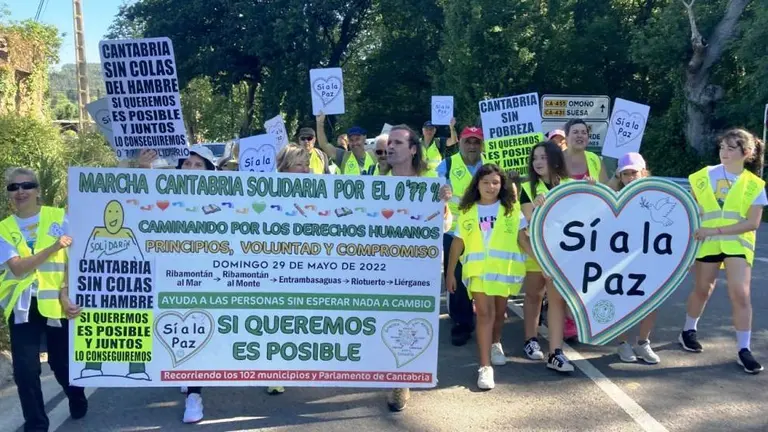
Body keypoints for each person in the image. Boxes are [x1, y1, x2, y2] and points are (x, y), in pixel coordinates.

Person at [0, 167, 88, 431]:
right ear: (8, 195)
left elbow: (76, 258)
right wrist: (53, 246)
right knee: (26, 372)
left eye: (26, 185)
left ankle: (76, 393)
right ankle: (36, 424)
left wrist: (65, 291)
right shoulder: (4, 229)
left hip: (56, 305)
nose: (20, 192)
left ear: (37, 190)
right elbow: (17, 267)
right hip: (22, 308)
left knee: (61, 364)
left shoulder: (59, 217)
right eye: (13, 188)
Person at [138, 145, 218, 423]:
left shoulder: (223, 198)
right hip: (171, 275)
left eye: (199, 165)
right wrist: (145, 169)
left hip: (208, 275)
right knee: (181, 328)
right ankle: (190, 385)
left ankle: (193, 389)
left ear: (210, 171)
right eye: (187, 164)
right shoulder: (167, 193)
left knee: (199, 326)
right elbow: (141, 203)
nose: (192, 169)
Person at [681, 128, 766, 374]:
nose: (724, 153)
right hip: (705, 242)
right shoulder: (701, 177)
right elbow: (689, 210)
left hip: (736, 243)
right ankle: (688, 330)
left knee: (740, 292)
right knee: (703, 289)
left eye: (731, 148)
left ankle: (744, 349)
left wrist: (716, 231)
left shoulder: (754, 185)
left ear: (746, 153)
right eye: (722, 147)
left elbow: (753, 223)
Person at [446, 164, 530, 390]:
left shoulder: (512, 211)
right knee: (484, 314)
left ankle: (496, 342)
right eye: (485, 182)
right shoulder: (467, 211)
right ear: (477, 184)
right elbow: (457, 243)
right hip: (477, 272)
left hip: (503, 271)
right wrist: (449, 273)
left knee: (499, 313)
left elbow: (523, 241)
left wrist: (544, 263)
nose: (490, 187)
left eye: (495, 182)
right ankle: (484, 367)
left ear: (502, 185)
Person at [384, 125, 450, 411]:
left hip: (417, 268)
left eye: (397, 143)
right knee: (383, 320)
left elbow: (445, 226)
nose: (390, 147)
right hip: (381, 265)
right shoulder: (373, 183)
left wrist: (444, 206)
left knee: (408, 322)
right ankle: (387, 374)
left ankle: (400, 381)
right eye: (389, 144)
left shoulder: (430, 184)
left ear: (413, 149)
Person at [518, 141, 574, 372]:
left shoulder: (571, 185)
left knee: (557, 301)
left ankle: (555, 353)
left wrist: (591, 189)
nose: (538, 162)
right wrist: (539, 206)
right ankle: (530, 340)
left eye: (543, 157)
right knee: (534, 296)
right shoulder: (527, 188)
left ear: (555, 159)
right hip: (536, 253)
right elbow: (531, 224)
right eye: (535, 158)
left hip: (561, 256)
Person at [608, 153, 660, 364]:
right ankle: (622, 343)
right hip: (620, 259)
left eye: (634, 173)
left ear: (643, 173)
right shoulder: (612, 197)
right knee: (622, 300)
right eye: (625, 174)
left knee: (652, 300)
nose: (630, 177)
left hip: (649, 256)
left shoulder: (657, 196)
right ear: (620, 176)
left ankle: (643, 342)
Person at [437, 126, 485, 346]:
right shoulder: (447, 164)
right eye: (468, 141)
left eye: (476, 142)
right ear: (461, 142)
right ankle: (461, 323)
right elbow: (431, 188)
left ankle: (485, 318)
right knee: (455, 276)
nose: (472, 146)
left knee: (481, 275)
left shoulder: (490, 164)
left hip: (485, 229)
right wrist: (440, 193)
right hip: (454, 230)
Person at [562, 119, 608, 183]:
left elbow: (605, 189)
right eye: (575, 132)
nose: (580, 136)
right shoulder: (556, 160)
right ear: (566, 138)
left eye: (584, 133)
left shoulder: (595, 159)